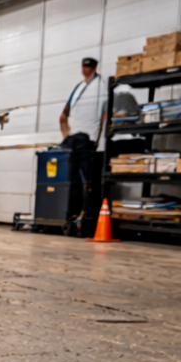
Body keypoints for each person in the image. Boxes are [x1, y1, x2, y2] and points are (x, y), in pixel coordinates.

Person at [58, 56, 107, 233]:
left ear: (93, 67)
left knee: (87, 182)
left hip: (88, 140)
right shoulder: (79, 88)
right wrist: (65, 132)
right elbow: (64, 115)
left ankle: (84, 216)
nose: (85, 69)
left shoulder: (101, 87)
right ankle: (71, 214)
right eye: (84, 66)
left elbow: (103, 117)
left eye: (88, 66)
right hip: (75, 140)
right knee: (72, 181)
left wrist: (97, 140)